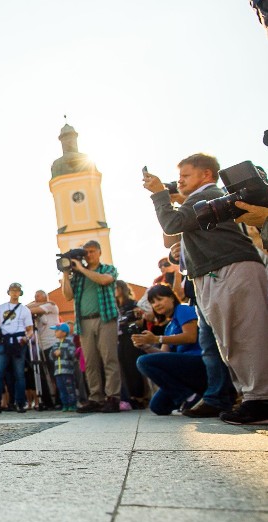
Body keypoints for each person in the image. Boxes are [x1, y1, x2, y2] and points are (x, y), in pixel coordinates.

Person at [144, 154, 268, 424]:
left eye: (186, 176)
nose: (180, 181)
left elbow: (172, 224)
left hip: (230, 269)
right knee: (230, 342)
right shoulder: (198, 199)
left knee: (245, 338)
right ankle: (252, 398)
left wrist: (158, 194)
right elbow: (172, 234)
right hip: (215, 273)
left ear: (207, 175)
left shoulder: (209, 194)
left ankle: (259, 398)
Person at [61, 240, 122, 413]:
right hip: (84, 321)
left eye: (92, 251)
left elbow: (104, 281)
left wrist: (81, 268)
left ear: (100, 252)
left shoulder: (108, 269)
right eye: (86, 252)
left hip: (105, 318)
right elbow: (67, 296)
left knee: (109, 358)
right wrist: (66, 274)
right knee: (90, 362)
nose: (89, 255)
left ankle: (113, 397)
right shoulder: (78, 276)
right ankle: (95, 397)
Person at [132, 284, 207, 416]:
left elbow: (190, 336)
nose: (156, 304)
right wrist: (146, 346)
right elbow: (164, 355)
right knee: (158, 406)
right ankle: (195, 395)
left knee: (142, 362)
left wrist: (157, 339)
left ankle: (188, 397)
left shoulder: (183, 309)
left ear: (172, 298)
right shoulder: (169, 326)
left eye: (160, 299)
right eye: (153, 302)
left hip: (198, 363)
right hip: (183, 369)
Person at [0, 283, 34, 414]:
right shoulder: (1, 308)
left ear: (20, 293)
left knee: (19, 374)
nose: (15, 293)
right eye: (13, 290)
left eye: (17, 290)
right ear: (9, 292)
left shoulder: (25, 310)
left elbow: (30, 330)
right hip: (3, 342)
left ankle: (20, 403)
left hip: (18, 343)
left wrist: (26, 339)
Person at [114, 280, 147, 407]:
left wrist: (129, 324)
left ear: (122, 288)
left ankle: (139, 397)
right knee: (124, 369)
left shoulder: (133, 304)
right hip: (119, 339)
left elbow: (140, 321)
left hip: (131, 337)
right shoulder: (115, 307)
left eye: (115, 288)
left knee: (133, 367)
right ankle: (130, 396)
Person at [27, 289, 60, 410]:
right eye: (35, 296)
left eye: (39, 296)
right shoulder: (42, 305)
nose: (36, 298)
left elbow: (31, 309)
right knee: (42, 374)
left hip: (52, 343)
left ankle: (59, 399)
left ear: (45, 297)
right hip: (41, 345)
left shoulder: (51, 306)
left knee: (54, 373)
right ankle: (47, 400)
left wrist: (33, 305)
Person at [49, 323, 77, 411]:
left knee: (69, 388)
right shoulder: (55, 344)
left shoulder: (70, 342)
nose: (55, 332)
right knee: (61, 388)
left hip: (67, 371)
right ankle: (65, 404)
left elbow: (72, 354)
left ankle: (72, 404)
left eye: (57, 331)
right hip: (58, 371)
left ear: (64, 333)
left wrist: (62, 353)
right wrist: (54, 354)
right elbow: (51, 356)